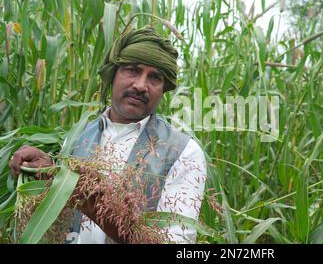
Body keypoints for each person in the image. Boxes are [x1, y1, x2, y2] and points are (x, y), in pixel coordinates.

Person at [9, 27, 207, 244]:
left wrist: (92, 200)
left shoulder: (182, 152)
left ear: (163, 89)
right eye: (132, 70)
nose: (141, 85)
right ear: (112, 75)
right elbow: (59, 223)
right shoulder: (77, 138)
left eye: (155, 77)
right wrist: (47, 174)